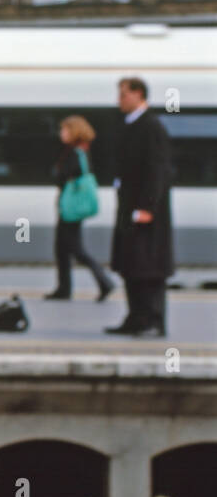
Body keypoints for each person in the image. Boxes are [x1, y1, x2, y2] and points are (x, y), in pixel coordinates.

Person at [105, 76, 174, 337]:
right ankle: (136, 317)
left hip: (145, 212)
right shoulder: (132, 125)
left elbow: (159, 170)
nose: (119, 101)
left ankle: (153, 320)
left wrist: (148, 207)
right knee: (131, 265)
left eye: (123, 95)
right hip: (129, 208)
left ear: (138, 95)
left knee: (149, 268)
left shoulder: (151, 127)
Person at [44, 115, 114, 301]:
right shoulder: (81, 151)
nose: (62, 133)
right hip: (71, 207)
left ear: (74, 132)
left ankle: (104, 282)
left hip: (71, 208)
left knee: (75, 249)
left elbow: (65, 175)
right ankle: (64, 288)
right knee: (63, 249)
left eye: (65, 130)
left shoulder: (75, 153)